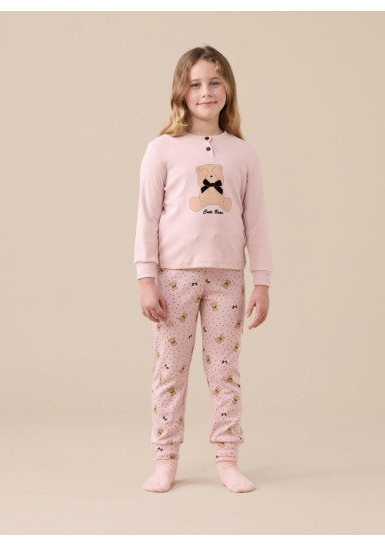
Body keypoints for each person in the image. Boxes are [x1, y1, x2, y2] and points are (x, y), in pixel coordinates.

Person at [134, 45, 273, 493]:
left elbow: (256, 223)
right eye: (195, 83)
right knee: (169, 373)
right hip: (174, 279)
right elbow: (147, 218)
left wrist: (262, 282)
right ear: (182, 91)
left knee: (225, 372)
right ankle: (165, 460)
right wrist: (147, 280)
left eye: (214, 82)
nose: (205, 91)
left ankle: (228, 459)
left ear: (227, 88)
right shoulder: (162, 149)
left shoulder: (243, 154)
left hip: (227, 279)